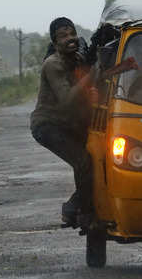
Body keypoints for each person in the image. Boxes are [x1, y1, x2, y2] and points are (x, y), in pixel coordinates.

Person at [30, 17, 98, 227]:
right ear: (55, 42)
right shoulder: (53, 64)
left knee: (96, 160)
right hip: (48, 126)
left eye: (71, 33)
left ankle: (83, 210)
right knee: (84, 162)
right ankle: (75, 210)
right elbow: (68, 100)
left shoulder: (77, 58)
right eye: (63, 36)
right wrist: (93, 75)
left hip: (68, 123)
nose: (69, 38)